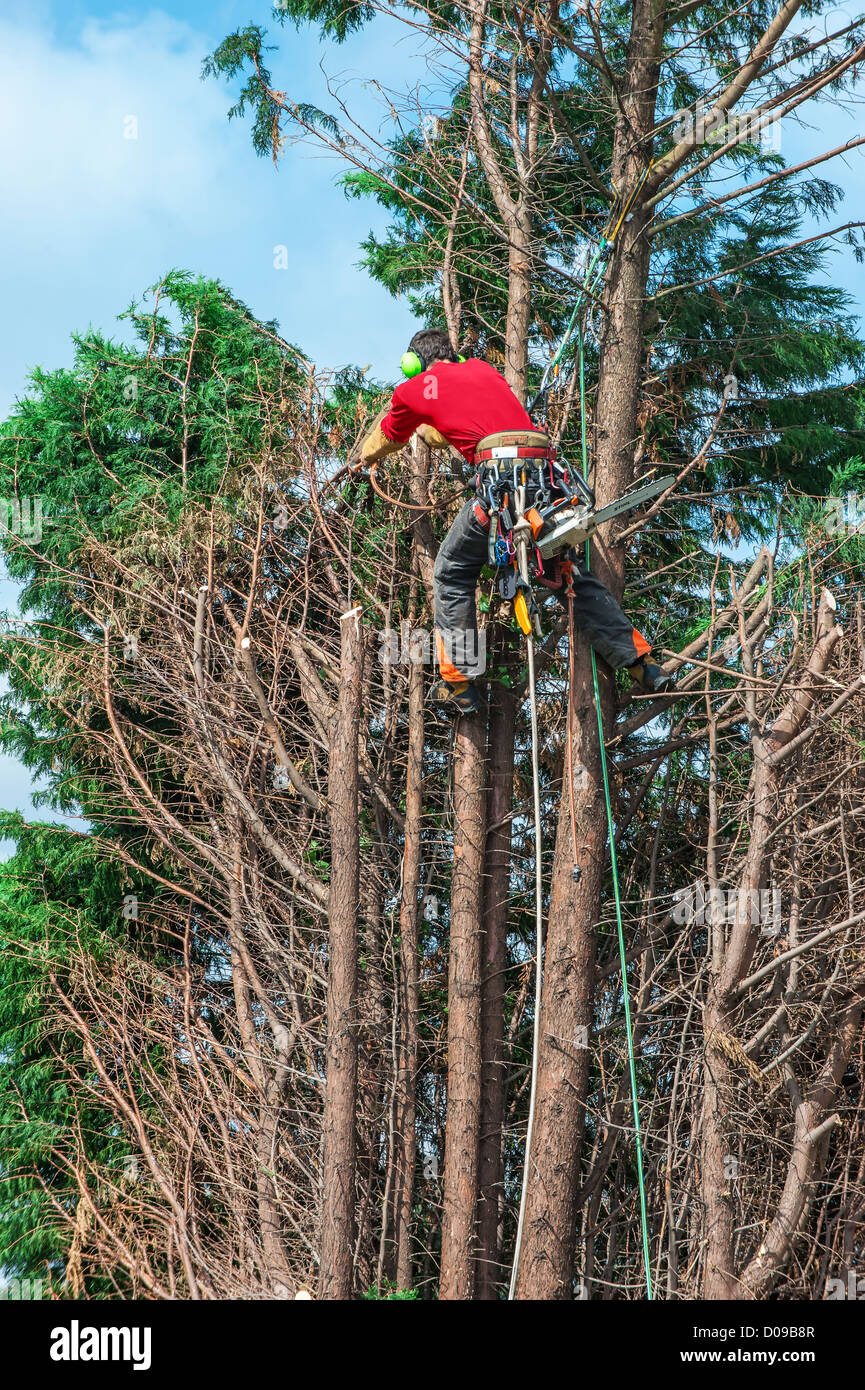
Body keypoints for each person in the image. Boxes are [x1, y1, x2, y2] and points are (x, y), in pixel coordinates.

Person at [359, 328, 672, 716]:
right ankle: (644, 665)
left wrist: (364, 458)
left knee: (453, 570)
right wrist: (432, 431)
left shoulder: (412, 389)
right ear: (452, 356)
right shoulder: (483, 371)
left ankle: (459, 684)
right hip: (545, 481)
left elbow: (390, 435)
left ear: (413, 365)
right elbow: (459, 421)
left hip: (499, 486)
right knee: (564, 574)